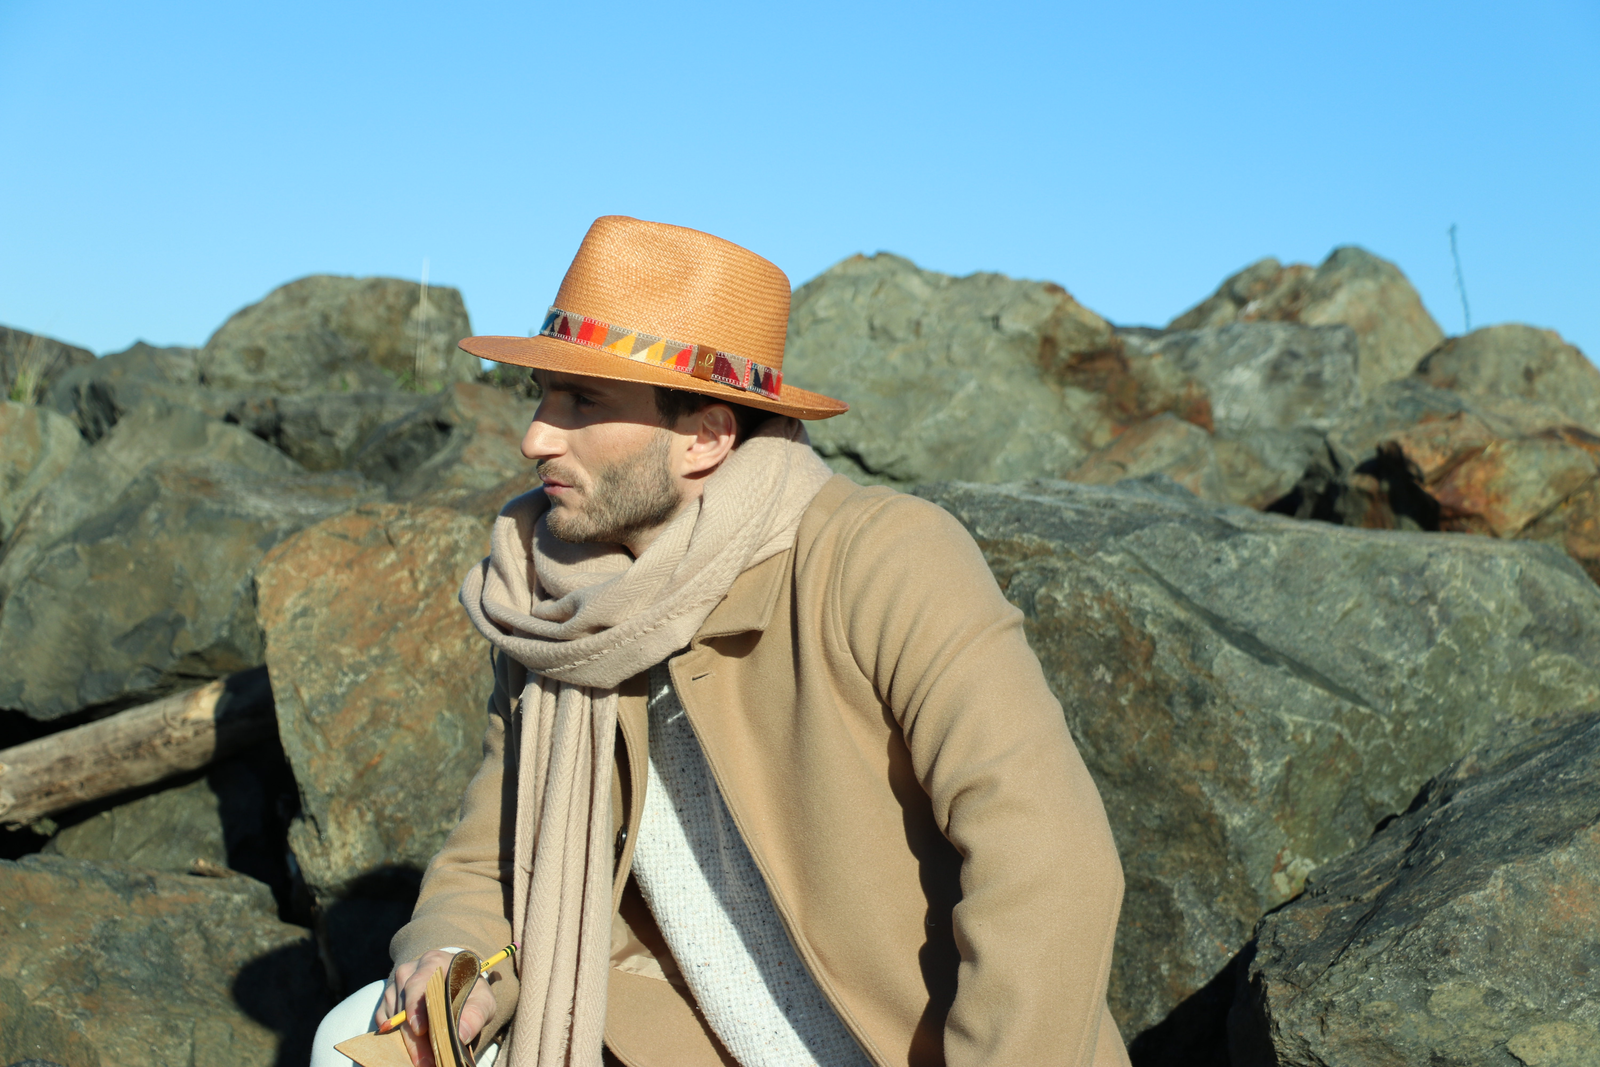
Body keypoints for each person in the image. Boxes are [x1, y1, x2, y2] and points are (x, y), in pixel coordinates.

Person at [311, 216, 1128, 1067]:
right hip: (678, 1039)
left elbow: (1049, 859)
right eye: (541, 394)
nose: (535, 437)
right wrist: (453, 962)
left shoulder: (882, 555)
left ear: (705, 436)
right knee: (356, 1040)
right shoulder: (550, 608)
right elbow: (494, 857)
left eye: (583, 401)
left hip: (910, 1050)